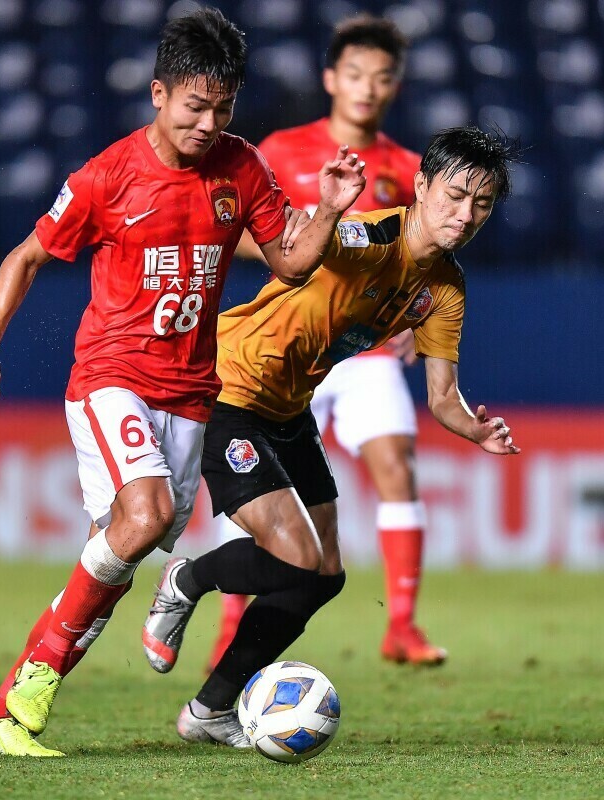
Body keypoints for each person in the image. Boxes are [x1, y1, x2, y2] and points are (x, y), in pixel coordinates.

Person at [0, 7, 366, 758]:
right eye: (194, 105)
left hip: (188, 396)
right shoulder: (107, 176)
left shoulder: (241, 166)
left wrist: (331, 209)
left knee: (113, 556)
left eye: (223, 107)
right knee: (141, 519)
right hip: (111, 379)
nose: (208, 123)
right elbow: (24, 257)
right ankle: (19, 703)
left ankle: (3, 714)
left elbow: (289, 261)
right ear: (158, 93)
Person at [141, 126, 523, 747]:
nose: (465, 215)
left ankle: (209, 711)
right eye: (454, 196)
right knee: (294, 555)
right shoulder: (369, 237)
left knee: (322, 576)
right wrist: (328, 209)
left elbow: (442, 398)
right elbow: (288, 241)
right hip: (228, 386)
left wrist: (476, 429)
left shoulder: (444, 288)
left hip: (289, 409)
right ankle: (188, 579)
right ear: (421, 187)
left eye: (481, 205)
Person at [213, 14, 445, 671]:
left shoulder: (408, 169)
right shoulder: (281, 150)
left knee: (397, 464)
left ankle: (401, 625)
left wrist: (414, 320)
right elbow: (240, 226)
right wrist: (297, 251)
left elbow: (422, 260)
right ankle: (233, 625)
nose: (368, 88)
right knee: (261, 489)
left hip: (362, 349)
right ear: (329, 79)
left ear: (395, 86)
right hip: (289, 335)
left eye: (382, 77)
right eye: (355, 74)